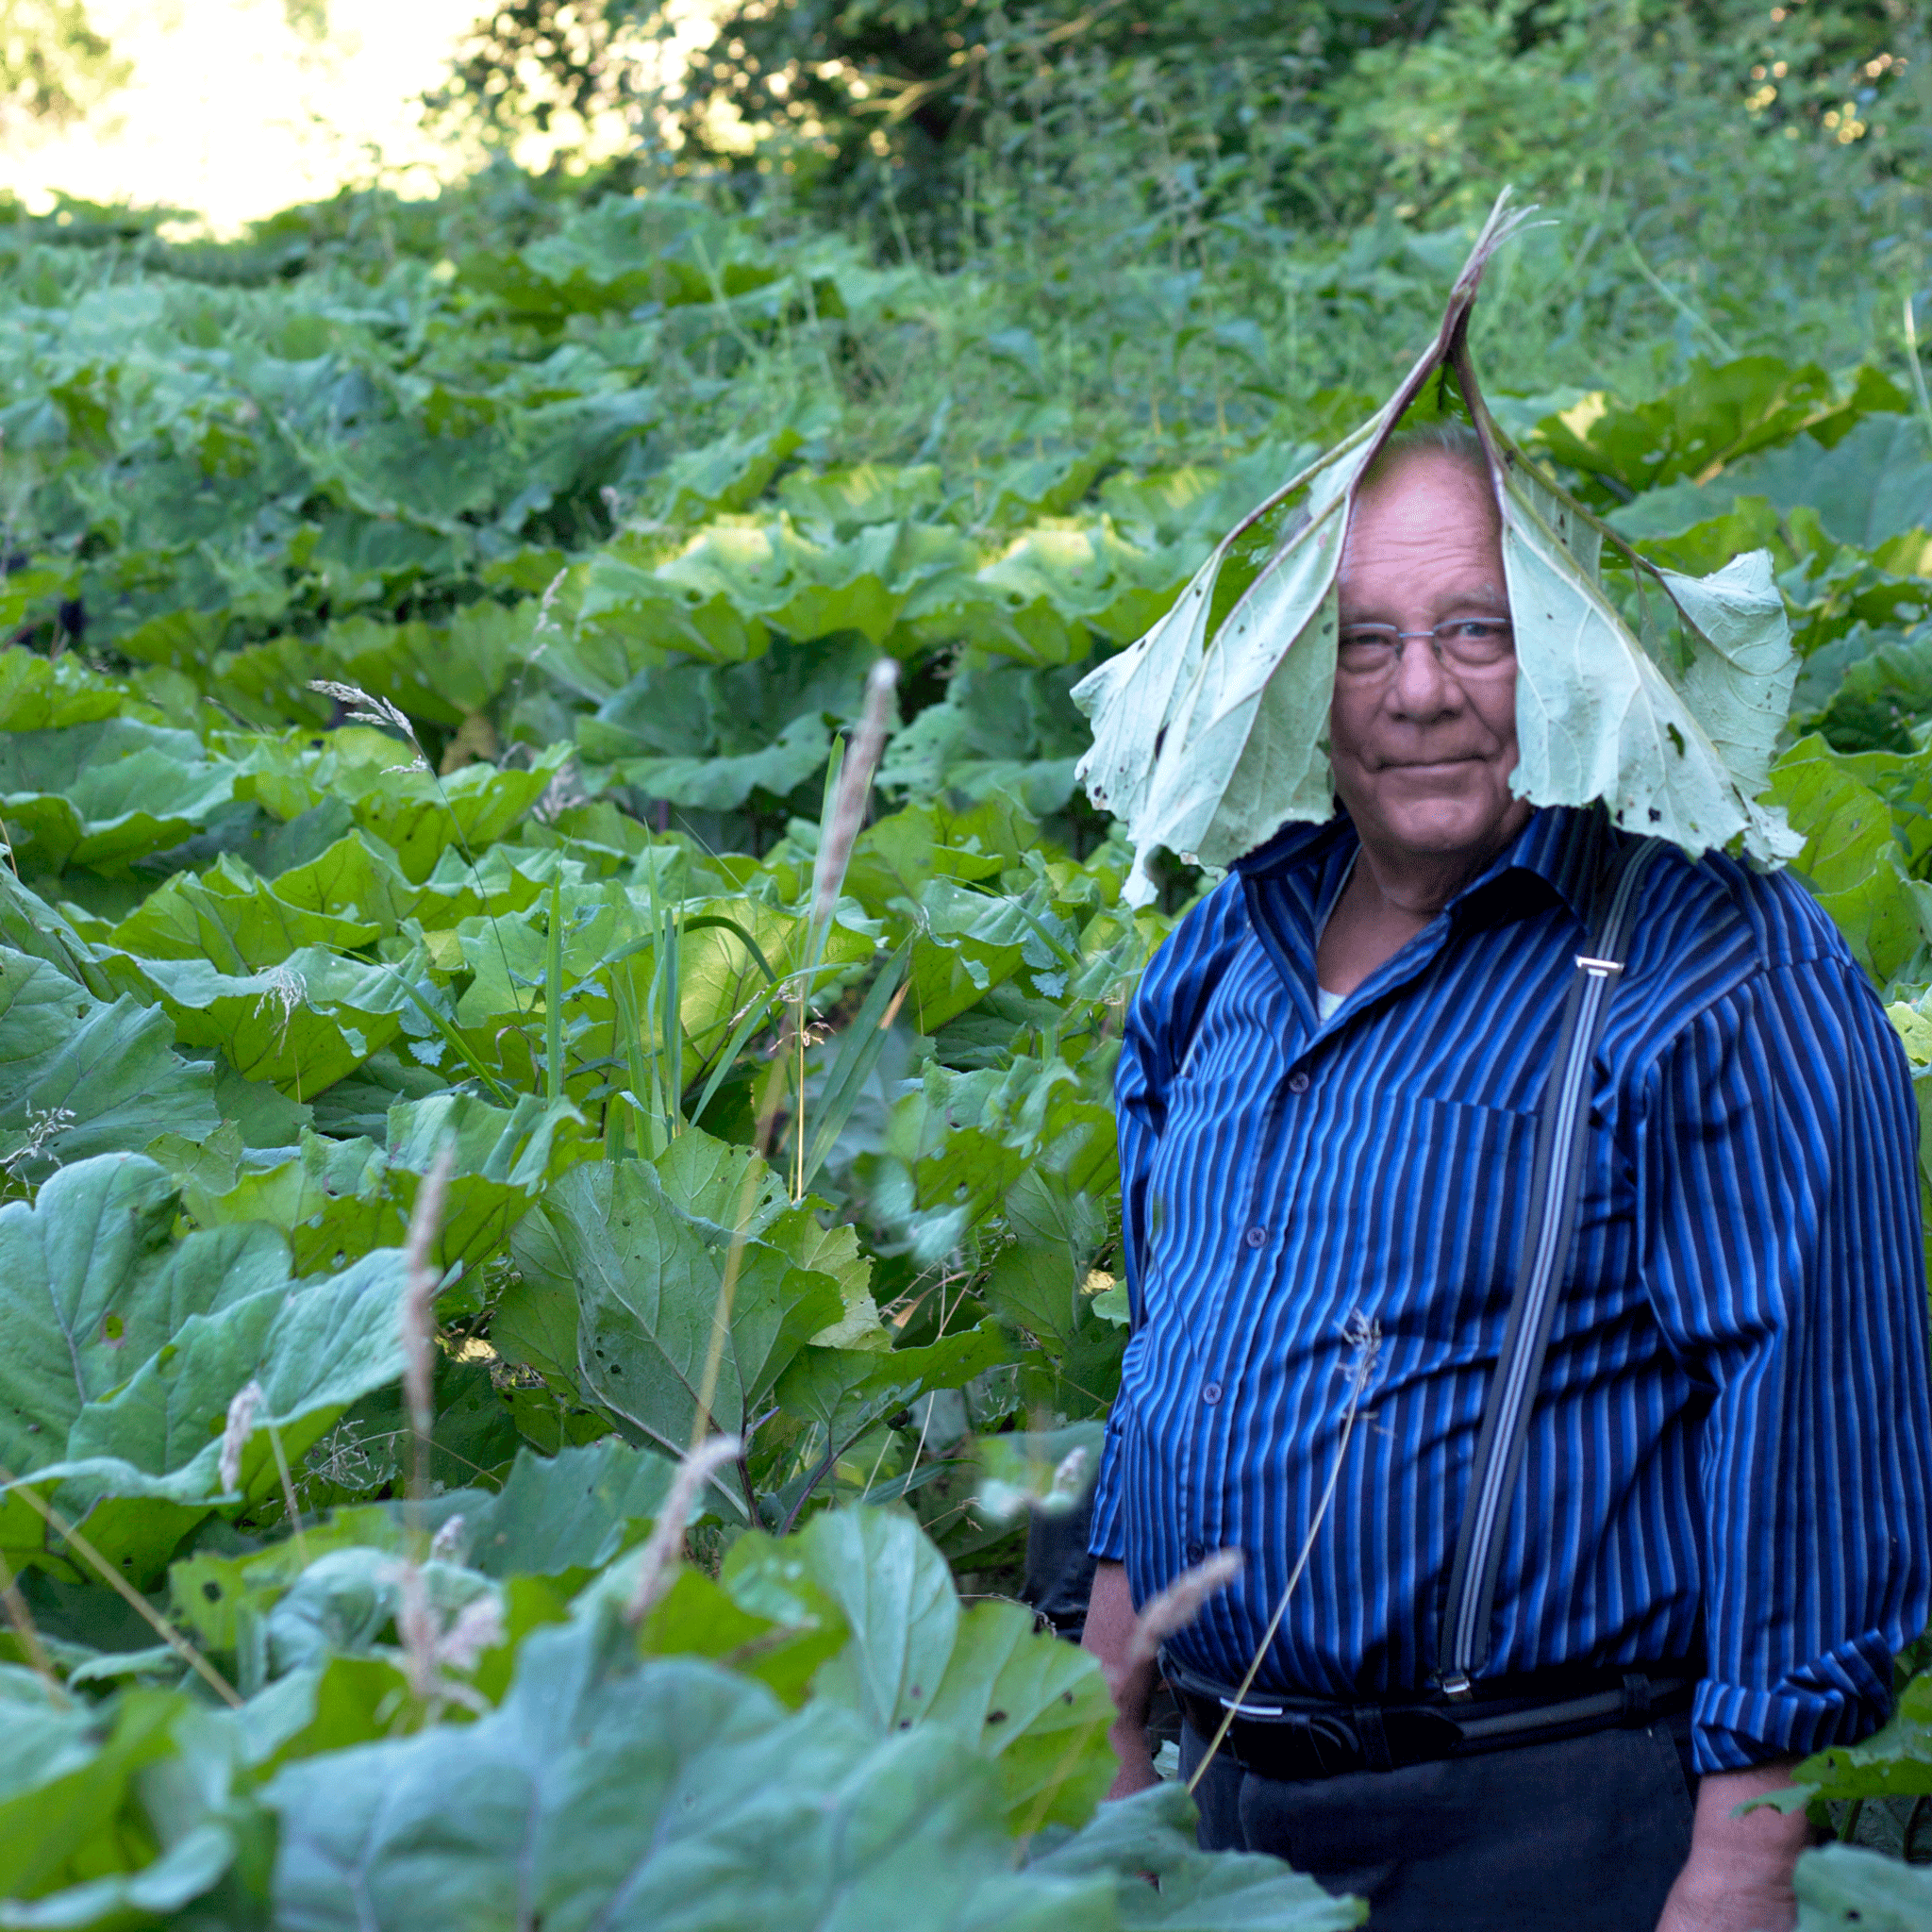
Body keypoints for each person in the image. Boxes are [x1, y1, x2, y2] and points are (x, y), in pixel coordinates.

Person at [1078, 423, 1932, 1932]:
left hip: (1543, 1823)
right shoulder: (1232, 939)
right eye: (1366, 643)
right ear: (1295, 676)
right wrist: (1106, 1734)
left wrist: (1742, 1866)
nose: (1422, 691)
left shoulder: (1716, 965)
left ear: (1566, 645)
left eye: (1476, 629)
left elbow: (1819, 1434)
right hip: (1214, 1818)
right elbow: (1170, 1349)